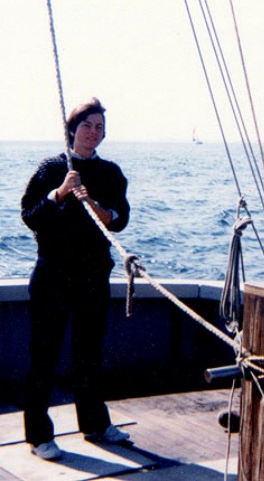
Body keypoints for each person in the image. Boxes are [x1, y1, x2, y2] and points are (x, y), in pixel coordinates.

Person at [21, 97, 131, 461]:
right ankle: (38, 435)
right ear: (72, 130)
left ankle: (96, 425)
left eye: (100, 127)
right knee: (45, 355)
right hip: (53, 276)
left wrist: (103, 210)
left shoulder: (111, 173)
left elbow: (121, 216)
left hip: (92, 277)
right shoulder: (53, 169)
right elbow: (30, 215)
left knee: (89, 354)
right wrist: (60, 193)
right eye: (87, 125)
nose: (94, 132)